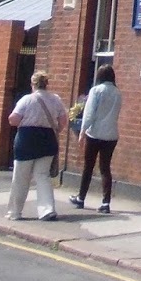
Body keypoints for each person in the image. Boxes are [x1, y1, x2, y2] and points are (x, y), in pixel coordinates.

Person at [6, 71, 68, 221]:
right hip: (47, 139)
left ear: (32, 84)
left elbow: (13, 119)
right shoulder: (56, 99)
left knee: (21, 177)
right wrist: (56, 130)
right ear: (46, 84)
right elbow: (63, 119)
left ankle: (15, 212)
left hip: (26, 139)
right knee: (42, 176)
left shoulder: (27, 99)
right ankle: (47, 210)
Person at [70, 64, 121, 213]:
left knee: (88, 167)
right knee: (105, 168)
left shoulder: (96, 91)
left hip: (95, 134)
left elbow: (89, 113)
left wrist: (82, 131)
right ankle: (106, 203)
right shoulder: (118, 93)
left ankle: (81, 198)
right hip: (111, 135)